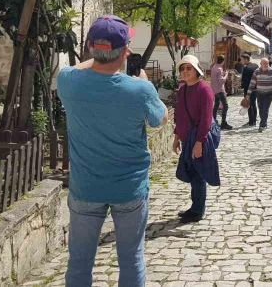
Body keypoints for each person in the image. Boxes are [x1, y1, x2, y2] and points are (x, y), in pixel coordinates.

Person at [57, 15, 167, 287]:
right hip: (129, 189)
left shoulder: (68, 82)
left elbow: (79, 68)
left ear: (89, 47)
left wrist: (98, 57)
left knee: (79, 262)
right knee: (131, 259)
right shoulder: (140, 89)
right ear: (126, 51)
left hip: (86, 187)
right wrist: (145, 84)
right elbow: (160, 119)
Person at [172, 55, 216, 224]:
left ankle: (198, 210)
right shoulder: (182, 89)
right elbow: (179, 116)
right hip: (186, 138)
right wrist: (177, 137)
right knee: (191, 173)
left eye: (188, 68)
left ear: (196, 70)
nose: (185, 71)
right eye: (182, 68)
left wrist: (199, 143)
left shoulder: (204, 89)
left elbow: (206, 119)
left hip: (198, 138)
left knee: (198, 174)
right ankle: (195, 206)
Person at [245, 57, 272, 132]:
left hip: (269, 93)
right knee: (261, 109)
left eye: (267, 63)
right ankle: (264, 123)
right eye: (264, 63)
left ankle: (262, 125)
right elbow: (252, 83)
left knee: (265, 109)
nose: (266, 65)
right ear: (260, 64)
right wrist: (248, 94)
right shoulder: (256, 71)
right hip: (259, 93)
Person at [210, 56, 233, 130]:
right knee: (225, 106)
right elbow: (221, 81)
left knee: (216, 105)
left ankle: (213, 121)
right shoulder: (219, 69)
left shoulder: (214, 67)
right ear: (223, 61)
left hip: (214, 90)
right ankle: (223, 123)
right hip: (220, 90)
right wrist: (226, 74)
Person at [240, 54, 259, 127]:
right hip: (256, 88)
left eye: (242, 60)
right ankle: (254, 120)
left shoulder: (246, 68)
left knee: (249, 105)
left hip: (248, 89)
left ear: (246, 59)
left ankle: (251, 122)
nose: (241, 61)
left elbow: (244, 80)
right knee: (253, 104)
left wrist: (241, 86)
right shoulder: (256, 66)